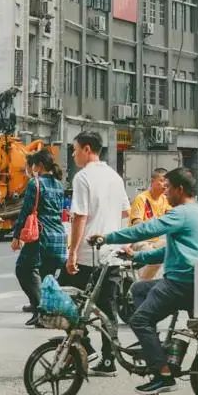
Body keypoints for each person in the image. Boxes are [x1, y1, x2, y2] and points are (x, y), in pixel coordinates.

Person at [92, 167, 198, 395]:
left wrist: (107, 237)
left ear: (180, 189)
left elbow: (146, 229)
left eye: (169, 188)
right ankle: (154, 349)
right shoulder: (197, 212)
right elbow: (168, 251)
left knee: (139, 321)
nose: (165, 193)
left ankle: (163, 374)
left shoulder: (182, 213)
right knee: (138, 289)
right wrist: (137, 257)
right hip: (189, 280)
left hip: (181, 283)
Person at [63, 131, 131, 377]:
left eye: (75, 149)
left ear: (87, 149)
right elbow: (125, 212)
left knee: (63, 302)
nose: (73, 155)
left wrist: (72, 253)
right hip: (111, 253)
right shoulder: (115, 177)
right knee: (108, 308)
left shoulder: (83, 177)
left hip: (88, 254)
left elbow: (80, 217)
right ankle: (109, 360)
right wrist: (123, 243)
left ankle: (84, 349)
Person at [11, 149, 67, 326]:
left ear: (40, 165)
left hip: (41, 235)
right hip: (59, 236)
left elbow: (26, 211)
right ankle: (45, 314)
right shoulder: (59, 185)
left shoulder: (35, 183)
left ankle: (41, 310)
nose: (32, 168)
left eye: (34, 165)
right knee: (45, 276)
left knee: (23, 269)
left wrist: (17, 235)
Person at [129, 168, 172, 281]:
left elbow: (172, 219)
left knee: (177, 248)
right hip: (139, 240)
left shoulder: (165, 199)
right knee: (154, 257)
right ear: (152, 181)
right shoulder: (141, 198)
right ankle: (141, 285)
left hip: (156, 241)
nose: (164, 184)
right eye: (161, 181)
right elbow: (137, 224)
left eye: (166, 182)